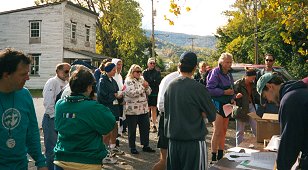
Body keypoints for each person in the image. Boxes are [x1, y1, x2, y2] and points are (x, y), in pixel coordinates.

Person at [53, 68, 116, 170]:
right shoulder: (93, 107)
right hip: (87, 162)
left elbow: (57, 128)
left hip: (61, 160)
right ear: (88, 87)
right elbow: (110, 124)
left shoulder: (60, 104)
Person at [164, 52, 217, 170]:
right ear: (195, 67)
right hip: (193, 142)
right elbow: (212, 115)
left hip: (173, 142)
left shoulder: (170, 86)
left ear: (179, 66)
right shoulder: (198, 88)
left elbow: (166, 111)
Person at [0, 48, 47, 169]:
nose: (28, 78)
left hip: (21, 165)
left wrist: (41, 161)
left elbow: (32, 132)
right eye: (23, 74)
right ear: (6, 75)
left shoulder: (25, 94)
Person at [256, 73, 308, 170]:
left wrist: (281, 166)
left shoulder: (290, 100)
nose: (268, 100)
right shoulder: (298, 92)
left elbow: (290, 141)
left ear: (270, 86)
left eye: (265, 96)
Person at [206, 52, 235, 163]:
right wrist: (223, 92)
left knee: (224, 131)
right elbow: (209, 89)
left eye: (230, 62)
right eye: (227, 62)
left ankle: (220, 155)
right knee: (217, 131)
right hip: (217, 104)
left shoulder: (229, 73)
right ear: (221, 62)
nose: (229, 64)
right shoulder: (215, 72)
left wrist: (232, 96)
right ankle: (213, 156)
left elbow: (232, 88)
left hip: (227, 104)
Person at [42, 62, 71, 170]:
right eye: (66, 71)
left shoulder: (67, 83)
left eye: (69, 71)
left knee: (60, 149)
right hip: (51, 119)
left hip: (61, 120)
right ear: (58, 71)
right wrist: (56, 118)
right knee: (51, 150)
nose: (68, 74)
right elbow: (48, 103)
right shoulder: (52, 82)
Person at [124, 64, 156, 154]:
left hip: (143, 109)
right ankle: (132, 147)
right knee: (132, 130)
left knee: (145, 128)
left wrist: (146, 87)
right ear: (132, 72)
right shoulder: (128, 81)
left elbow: (149, 91)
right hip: (132, 111)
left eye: (140, 71)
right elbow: (132, 93)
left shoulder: (142, 79)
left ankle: (146, 145)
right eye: (137, 71)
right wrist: (143, 87)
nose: (139, 73)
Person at [152, 71, 180, 170]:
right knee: (165, 160)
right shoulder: (169, 79)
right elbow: (161, 105)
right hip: (167, 120)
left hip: (180, 123)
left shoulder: (191, 79)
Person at [97, 62, 124, 159]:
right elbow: (101, 96)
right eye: (113, 70)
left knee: (114, 126)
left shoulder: (113, 80)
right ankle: (104, 150)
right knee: (107, 129)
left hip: (115, 107)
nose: (115, 72)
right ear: (108, 70)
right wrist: (114, 96)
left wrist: (120, 96)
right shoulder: (102, 81)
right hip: (106, 107)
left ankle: (113, 146)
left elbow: (116, 90)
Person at [233, 68, 259, 146]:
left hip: (251, 106)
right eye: (252, 78)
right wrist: (235, 96)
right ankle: (238, 147)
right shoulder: (238, 83)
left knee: (256, 127)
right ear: (247, 76)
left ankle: (258, 144)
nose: (253, 79)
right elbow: (231, 95)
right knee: (240, 130)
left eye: (254, 78)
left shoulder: (252, 84)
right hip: (241, 108)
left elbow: (256, 95)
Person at [143, 57, 161, 133]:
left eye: (154, 63)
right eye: (151, 63)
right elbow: (145, 82)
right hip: (146, 92)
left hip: (154, 92)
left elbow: (157, 82)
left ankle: (154, 125)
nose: (152, 64)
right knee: (147, 109)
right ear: (148, 64)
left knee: (153, 108)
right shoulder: (144, 72)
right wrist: (152, 81)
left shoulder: (157, 72)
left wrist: (150, 81)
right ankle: (147, 125)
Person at [111, 58, 127, 135]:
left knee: (120, 115)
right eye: (118, 64)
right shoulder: (112, 76)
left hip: (121, 97)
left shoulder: (120, 76)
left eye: (121, 64)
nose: (119, 66)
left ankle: (119, 131)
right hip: (114, 99)